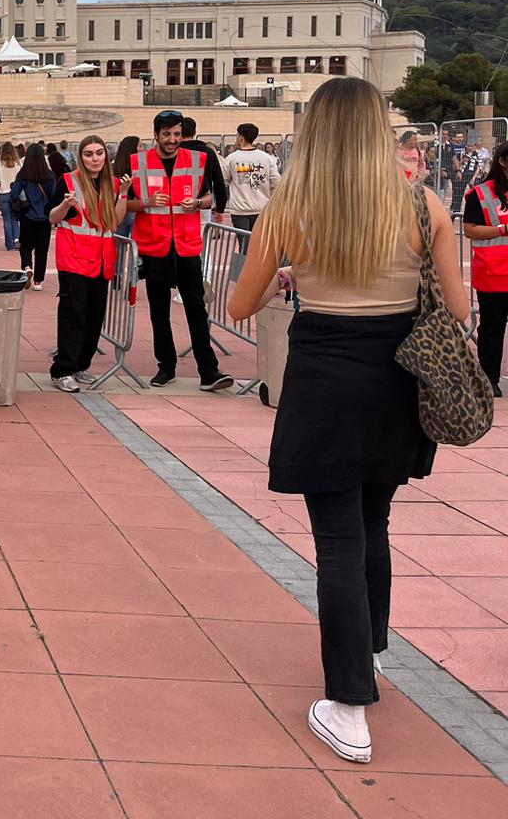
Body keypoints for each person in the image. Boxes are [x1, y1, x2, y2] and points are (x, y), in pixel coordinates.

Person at [229, 76, 466, 767]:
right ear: (377, 133)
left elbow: (240, 306)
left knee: (337, 539)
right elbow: (454, 306)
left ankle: (349, 702)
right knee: (373, 524)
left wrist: (285, 276)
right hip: (397, 379)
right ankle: (367, 654)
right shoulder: (424, 205)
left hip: (326, 376)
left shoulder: (288, 209)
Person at [128, 111, 233, 391]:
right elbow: (125, 204)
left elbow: (210, 195)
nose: (172, 140)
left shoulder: (198, 160)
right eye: (166, 135)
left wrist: (198, 203)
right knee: (159, 312)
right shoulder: (138, 163)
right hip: (155, 246)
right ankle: (166, 366)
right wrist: (146, 202)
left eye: (176, 134)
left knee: (196, 309)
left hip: (186, 245)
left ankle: (208, 372)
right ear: (156, 134)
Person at [48, 135, 126, 392]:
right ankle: (63, 369)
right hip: (75, 260)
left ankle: (81, 364)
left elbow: (114, 221)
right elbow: (52, 217)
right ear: (80, 157)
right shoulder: (69, 181)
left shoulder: (112, 185)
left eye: (99, 153)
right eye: (89, 154)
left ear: (107, 156)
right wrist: (65, 204)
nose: (95, 159)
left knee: (94, 317)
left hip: (102, 261)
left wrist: (124, 195)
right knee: (74, 316)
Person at [462, 141, 508, 397]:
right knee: (492, 328)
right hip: (494, 274)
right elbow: (469, 229)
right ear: (503, 162)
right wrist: (502, 229)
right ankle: (488, 379)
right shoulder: (481, 194)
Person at [223, 123, 280, 233]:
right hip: (262, 208)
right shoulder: (267, 158)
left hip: (240, 210)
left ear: (241, 137)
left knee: (244, 244)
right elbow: (276, 182)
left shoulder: (231, 159)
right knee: (259, 244)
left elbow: (223, 182)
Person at [14, 144, 56, 290]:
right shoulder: (49, 175)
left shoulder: (23, 174)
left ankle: (26, 267)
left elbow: (14, 194)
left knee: (25, 245)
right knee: (42, 250)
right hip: (44, 217)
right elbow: (53, 196)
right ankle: (38, 281)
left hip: (27, 215)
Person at [180, 116, 230, 221]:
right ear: (194, 132)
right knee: (202, 235)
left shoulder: (173, 152)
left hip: (178, 204)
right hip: (202, 203)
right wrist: (220, 208)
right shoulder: (208, 152)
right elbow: (218, 181)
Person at [0, 141, 21, 251]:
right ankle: (17, 239)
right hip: (16, 194)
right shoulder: (18, 164)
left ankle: (9, 243)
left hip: (3, 193)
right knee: (15, 219)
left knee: (7, 219)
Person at [112, 135, 141, 238]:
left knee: (118, 243)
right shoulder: (136, 168)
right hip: (130, 209)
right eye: (140, 146)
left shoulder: (115, 167)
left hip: (120, 208)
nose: (142, 149)